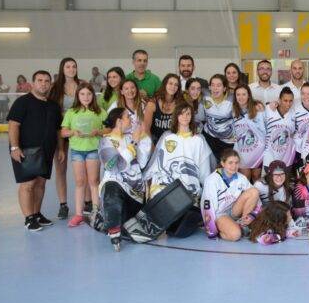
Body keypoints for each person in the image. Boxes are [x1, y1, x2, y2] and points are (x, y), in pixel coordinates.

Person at [144, 102, 214, 238]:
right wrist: (154, 188)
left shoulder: (198, 140)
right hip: (169, 186)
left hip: (189, 189)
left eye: (188, 114)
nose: (185, 117)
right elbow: (159, 165)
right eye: (182, 113)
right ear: (176, 116)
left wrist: (206, 189)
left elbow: (204, 168)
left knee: (181, 232)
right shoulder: (168, 138)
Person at [7, 71, 63, 231]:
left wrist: (60, 148)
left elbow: (58, 130)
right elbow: (13, 125)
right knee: (28, 184)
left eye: (47, 81)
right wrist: (14, 147)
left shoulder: (53, 105)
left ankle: (37, 213)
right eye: (40, 80)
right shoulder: (22, 102)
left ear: (50, 84)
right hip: (25, 150)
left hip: (46, 150)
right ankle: (28, 218)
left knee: (40, 183)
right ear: (33, 83)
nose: (43, 84)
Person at [98, 108, 152, 250]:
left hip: (136, 194)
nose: (131, 120)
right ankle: (113, 230)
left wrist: (143, 136)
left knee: (139, 230)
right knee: (111, 186)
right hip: (117, 188)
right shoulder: (105, 141)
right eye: (128, 117)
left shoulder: (129, 137)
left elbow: (141, 163)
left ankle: (114, 222)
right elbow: (115, 166)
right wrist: (134, 143)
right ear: (119, 121)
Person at [61, 84, 109, 227]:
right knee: (80, 182)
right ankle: (79, 214)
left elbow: (109, 128)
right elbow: (63, 131)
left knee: (93, 181)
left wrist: (98, 132)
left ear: (93, 96)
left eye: (89, 94)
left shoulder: (99, 111)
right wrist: (72, 132)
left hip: (93, 150)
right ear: (77, 96)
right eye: (82, 94)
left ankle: (96, 212)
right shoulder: (71, 112)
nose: (86, 97)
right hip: (77, 151)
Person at [201, 149, 261, 241]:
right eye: (230, 163)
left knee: (254, 191)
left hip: (234, 210)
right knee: (235, 235)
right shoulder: (212, 180)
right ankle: (225, 228)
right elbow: (207, 206)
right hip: (219, 214)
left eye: (236, 163)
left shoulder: (241, 178)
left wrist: (252, 215)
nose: (234, 166)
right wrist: (211, 231)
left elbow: (256, 198)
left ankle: (243, 224)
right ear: (222, 163)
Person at [49, 57, 80, 219]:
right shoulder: (55, 88)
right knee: (61, 169)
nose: (71, 69)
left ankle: (87, 202)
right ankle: (63, 205)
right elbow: (53, 111)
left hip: (79, 132)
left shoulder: (81, 84)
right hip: (62, 133)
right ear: (62, 69)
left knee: (82, 169)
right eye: (68, 66)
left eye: (74, 66)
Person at [232, 84, 266, 183]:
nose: (241, 97)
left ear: (249, 96)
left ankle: (258, 198)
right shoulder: (233, 110)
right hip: (242, 150)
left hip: (258, 149)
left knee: (257, 176)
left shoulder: (258, 109)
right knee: (245, 177)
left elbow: (265, 128)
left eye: (244, 94)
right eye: (238, 95)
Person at [263, 87, 297, 169]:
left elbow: (293, 133)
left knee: (285, 181)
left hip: (287, 158)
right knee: (271, 180)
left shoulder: (294, 114)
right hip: (269, 156)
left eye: (290, 101)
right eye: (285, 101)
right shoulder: (268, 110)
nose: (288, 104)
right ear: (279, 100)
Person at [202, 74, 235, 159]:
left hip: (228, 139)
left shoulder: (233, 98)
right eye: (212, 85)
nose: (215, 88)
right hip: (209, 136)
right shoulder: (205, 95)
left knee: (225, 165)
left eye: (218, 85)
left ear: (224, 88)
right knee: (211, 165)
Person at [143, 73, 182, 145]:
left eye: (176, 85)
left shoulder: (180, 104)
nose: (173, 87)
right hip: (154, 140)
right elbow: (146, 128)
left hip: (173, 141)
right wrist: (152, 147)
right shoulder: (152, 103)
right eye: (170, 83)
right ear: (165, 84)